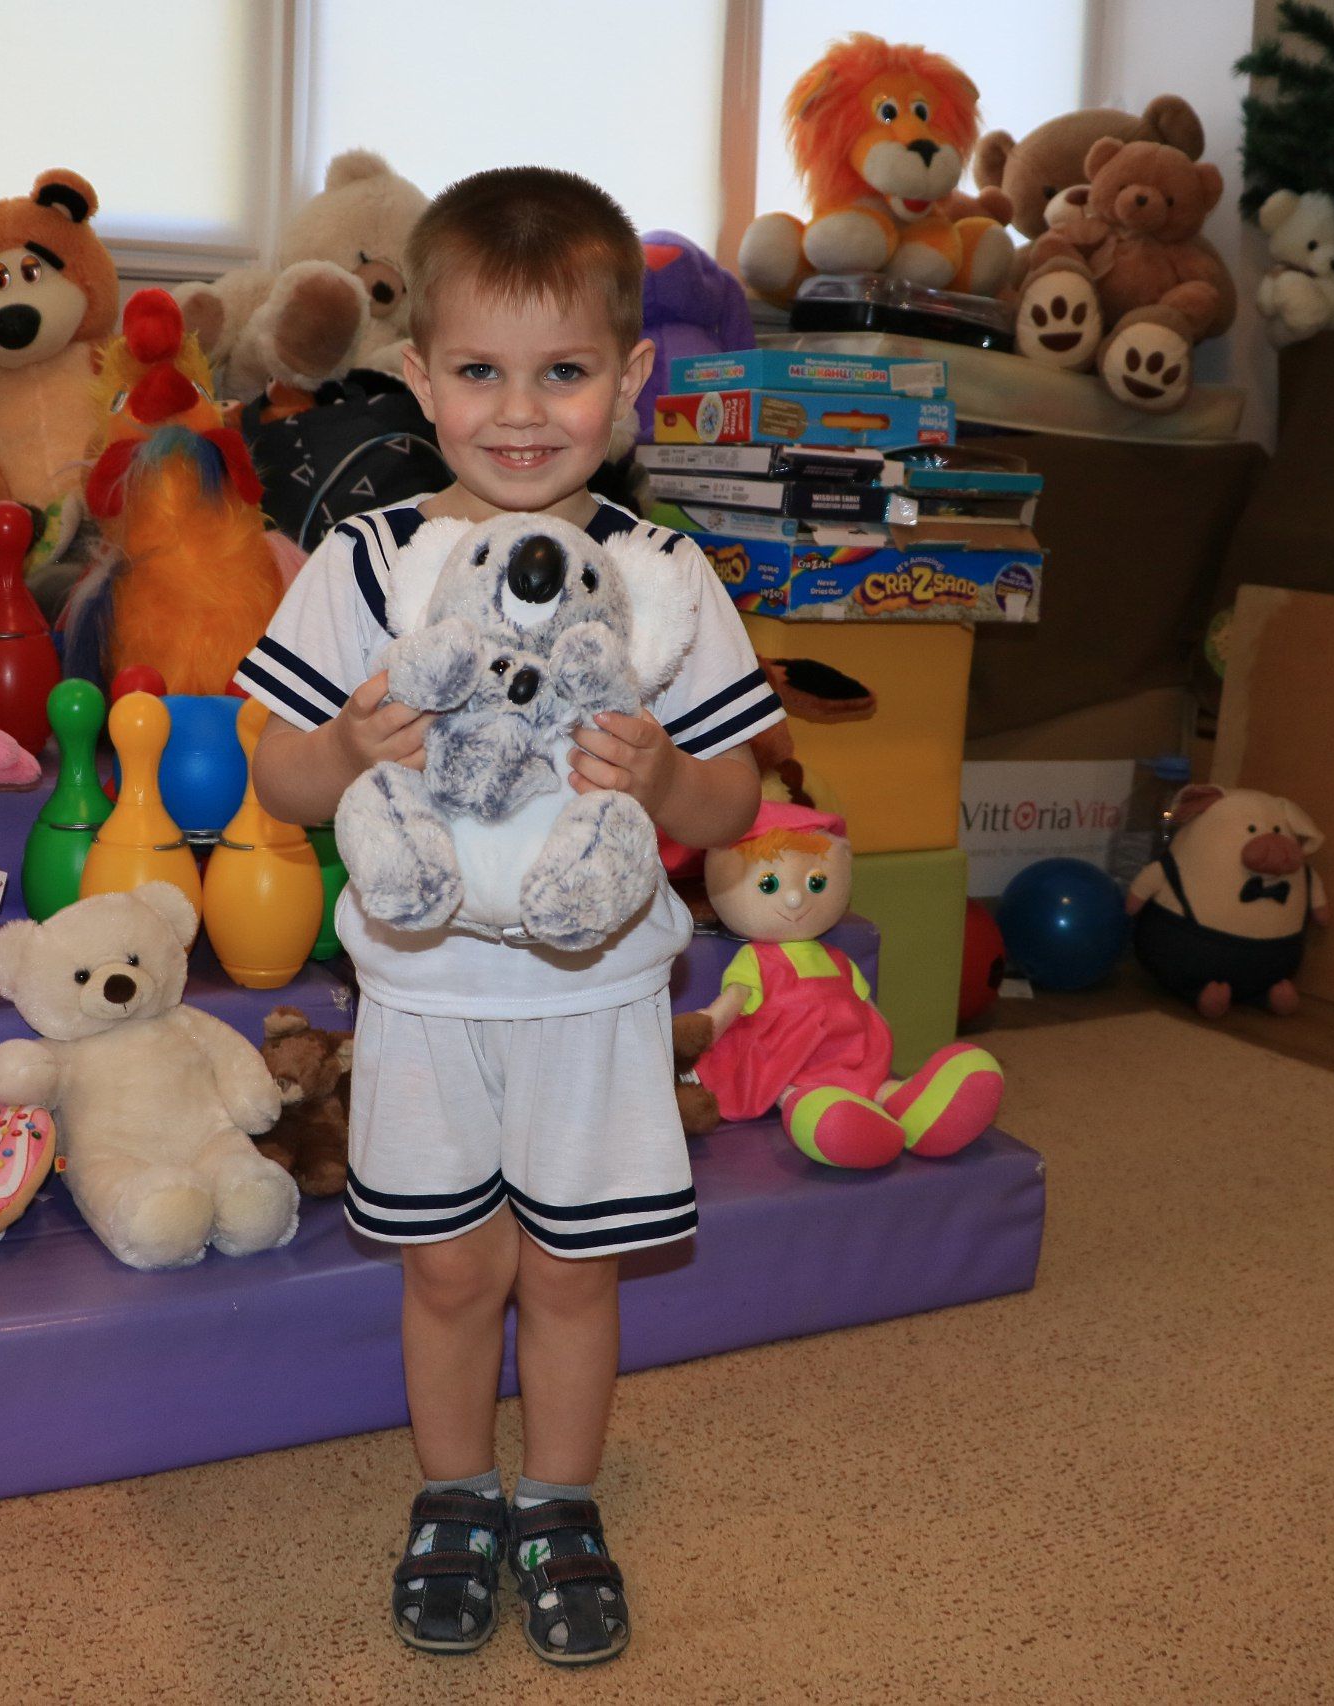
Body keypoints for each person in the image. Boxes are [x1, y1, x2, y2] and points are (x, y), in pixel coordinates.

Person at [238, 165, 779, 1666]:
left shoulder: (664, 576)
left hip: (594, 1003)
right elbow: (277, 773)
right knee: (450, 1266)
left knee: (571, 1270)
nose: (522, 412)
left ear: (631, 378)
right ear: (419, 378)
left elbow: (733, 803)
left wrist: (665, 775)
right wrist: (346, 747)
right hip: (425, 1002)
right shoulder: (367, 563)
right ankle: (456, 1493)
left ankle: (560, 1500)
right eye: (479, 372)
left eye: (564, 372)